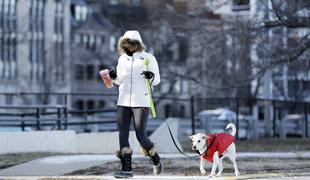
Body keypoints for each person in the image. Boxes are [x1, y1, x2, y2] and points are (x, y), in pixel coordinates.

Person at [109, 30, 162, 178]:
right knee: (123, 134)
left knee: (141, 136)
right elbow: (120, 80)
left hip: (141, 101)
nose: (129, 48)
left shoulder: (148, 58)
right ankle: (127, 168)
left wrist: (150, 76)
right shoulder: (122, 60)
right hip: (123, 101)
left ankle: (154, 157)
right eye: (126, 45)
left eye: (132, 45)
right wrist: (113, 77)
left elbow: (157, 80)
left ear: (137, 44)